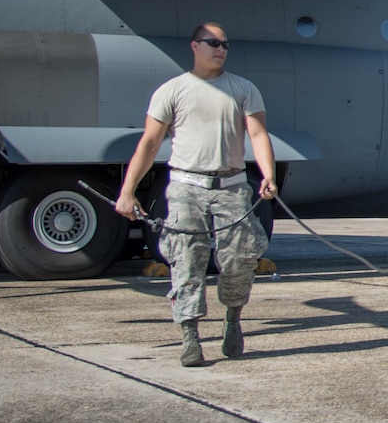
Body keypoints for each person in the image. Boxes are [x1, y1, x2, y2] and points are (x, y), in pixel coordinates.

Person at [114, 23, 279, 368]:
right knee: (186, 262)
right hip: (187, 187)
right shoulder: (172, 91)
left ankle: (233, 318)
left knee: (239, 261)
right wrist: (128, 191)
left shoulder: (242, 89)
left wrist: (268, 175)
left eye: (225, 44)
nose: (221, 49)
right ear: (194, 46)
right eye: (213, 43)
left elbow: (259, 134)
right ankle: (189, 335)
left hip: (232, 187)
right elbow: (149, 142)